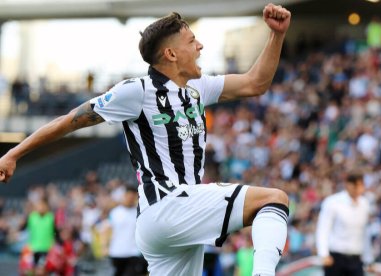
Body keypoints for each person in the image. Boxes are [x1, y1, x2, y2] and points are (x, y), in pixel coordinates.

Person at [0, 4, 291, 276]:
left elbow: (256, 83)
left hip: (171, 222)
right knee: (274, 199)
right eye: (192, 41)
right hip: (168, 205)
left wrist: (276, 35)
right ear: (171, 54)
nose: (200, 46)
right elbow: (69, 121)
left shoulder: (199, 87)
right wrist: (14, 154)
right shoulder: (137, 91)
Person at [315, 172, 373, 276]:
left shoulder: (365, 204)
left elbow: (365, 232)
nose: (357, 189)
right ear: (348, 185)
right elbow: (323, 229)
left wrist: (368, 258)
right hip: (336, 257)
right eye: (355, 185)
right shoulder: (333, 202)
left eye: (360, 185)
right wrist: (323, 254)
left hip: (356, 257)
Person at [108, 186, 148, 276]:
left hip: (133, 253)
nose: (130, 199)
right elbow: (107, 230)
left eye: (133, 197)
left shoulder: (139, 212)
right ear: (124, 196)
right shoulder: (114, 213)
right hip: (116, 253)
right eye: (129, 196)